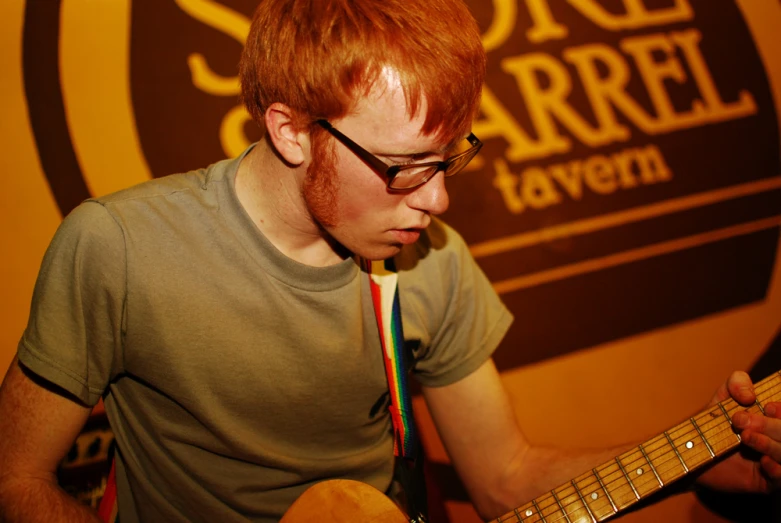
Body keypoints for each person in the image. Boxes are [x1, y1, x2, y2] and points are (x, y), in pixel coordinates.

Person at [0, 0, 779, 521]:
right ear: (292, 130)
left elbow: (503, 477)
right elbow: (18, 478)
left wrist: (697, 455)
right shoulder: (119, 247)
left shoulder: (430, 265)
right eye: (405, 165)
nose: (436, 201)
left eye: (449, 160)